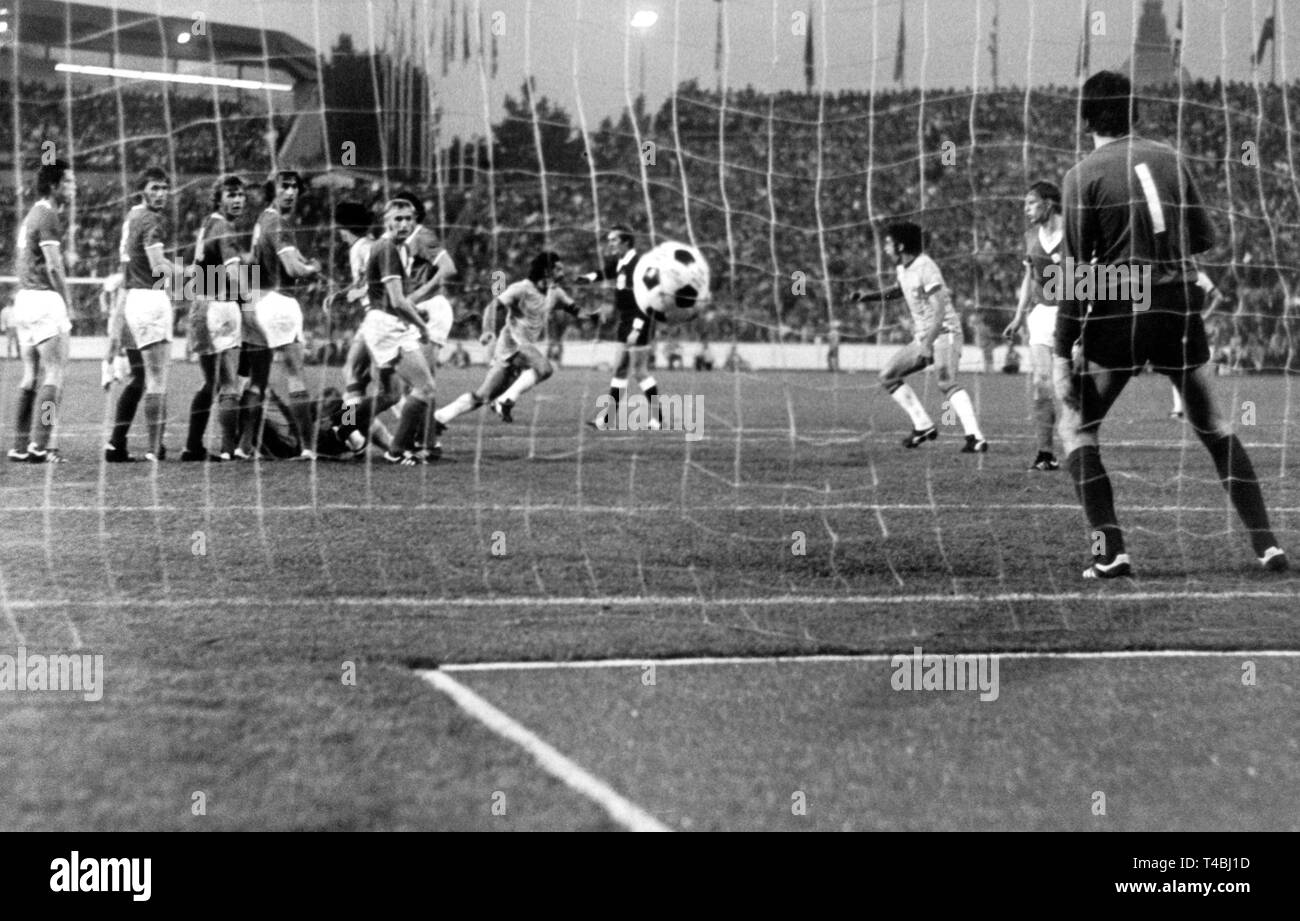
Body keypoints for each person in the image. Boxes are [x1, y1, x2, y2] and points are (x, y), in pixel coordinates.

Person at [1055, 70, 1286, 578]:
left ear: (1087, 116)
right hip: (1179, 304)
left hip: (1125, 304)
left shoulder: (1080, 175)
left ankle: (1108, 550)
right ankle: (1267, 542)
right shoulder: (1171, 157)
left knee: (1076, 427)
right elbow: (1201, 239)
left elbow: (1072, 277)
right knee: (1215, 427)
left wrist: (1060, 349)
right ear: (1134, 111)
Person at [852, 221, 988, 452]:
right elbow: (898, 290)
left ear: (901, 245)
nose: (885, 248)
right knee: (888, 376)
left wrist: (927, 343)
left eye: (888, 243)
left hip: (945, 333)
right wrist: (868, 297)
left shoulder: (926, 268)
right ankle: (923, 425)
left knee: (946, 382)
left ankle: (975, 437)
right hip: (925, 336)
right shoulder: (903, 268)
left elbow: (940, 311)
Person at [434, 251, 578, 431]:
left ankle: (440, 416)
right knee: (545, 369)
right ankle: (505, 400)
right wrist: (487, 330)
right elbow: (493, 305)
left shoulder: (552, 292)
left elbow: (573, 308)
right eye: (557, 269)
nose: (562, 273)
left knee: (483, 396)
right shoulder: (520, 288)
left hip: (515, 347)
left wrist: (591, 313)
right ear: (546, 271)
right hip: (510, 345)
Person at [238, 170, 321, 460]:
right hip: (278, 303)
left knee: (257, 381)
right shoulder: (280, 223)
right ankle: (309, 447)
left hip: (255, 304)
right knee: (296, 376)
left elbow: (274, 259)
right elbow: (293, 268)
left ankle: (244, 445)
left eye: (294, 187)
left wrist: (304, 264)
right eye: (284, 186)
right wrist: (313, 270)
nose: (291, 192)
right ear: (274, 189)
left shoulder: (264, 218)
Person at [107, 167, 180, 462]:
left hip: (131, 299)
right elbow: (159, 266)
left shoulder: (132, 216)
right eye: (155, 188)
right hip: (150, 297)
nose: (161, 194)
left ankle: (115, 443)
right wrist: (198, 275)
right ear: (142, 191)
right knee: (156, 379)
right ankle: (153, 449)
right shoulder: (151, 219)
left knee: (138, 378)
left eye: (164, 188)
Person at [8, 159, 76, 463]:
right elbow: (53, 264)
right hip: (44, 300)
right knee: (55, 373)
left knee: (30, 375)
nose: (75, 187)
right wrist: (69, 301)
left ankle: (20, 446)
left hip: (23, 300)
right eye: (70, 182)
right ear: (54, 186)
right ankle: (40, 445)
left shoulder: (31, 215)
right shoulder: (48, 215)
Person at [181, 175, 248, 461]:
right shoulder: (224, 227)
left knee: (211, 384)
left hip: (200, 306)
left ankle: (192, 446)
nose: (237, 199)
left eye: (240, 194)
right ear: (219, 198)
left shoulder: (207, 225)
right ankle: (228, 450)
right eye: (231, 194)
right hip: (220, 306)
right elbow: (234, 275)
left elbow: (194, 271)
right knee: (230, 384)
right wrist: (248, 301)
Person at [1004, 180, 1065, 471]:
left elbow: (1095, 274)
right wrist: (1018, 316)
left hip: (1074, 314)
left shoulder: (1076, 232)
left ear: (1048, 204)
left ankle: (1083, 448)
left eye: (1030, 203)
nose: (1026, 209)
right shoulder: (1031, 237)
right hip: (1041, 315)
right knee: (1041, 385)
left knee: (1069, 388)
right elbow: (1029, 278)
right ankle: (1045, 453)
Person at [578, 226, 660, 430]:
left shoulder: (639, 264)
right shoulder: (622, 262)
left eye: (614, 240)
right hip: (625, 319)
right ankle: (607, 419)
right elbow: (605, 271)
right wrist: (587, 278)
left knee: (639, 371)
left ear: (625, 242)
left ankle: (658, 419)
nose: (610, 243)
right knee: (621, 369)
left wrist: (637, 328)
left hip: (639, 320)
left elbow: (647, 298)